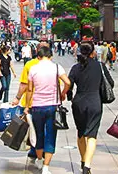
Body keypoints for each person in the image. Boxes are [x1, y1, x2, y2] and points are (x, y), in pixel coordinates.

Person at [66, 42, 112, 174]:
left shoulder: (75, 68)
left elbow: (69, 84)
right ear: (93, 52)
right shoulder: (100, 66)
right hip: (95, 102)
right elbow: (111, 83)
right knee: (92, 135)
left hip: (79, 102)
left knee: (81, 133)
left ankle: (82, 159)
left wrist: (70, 97)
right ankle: (87, 165)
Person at [24, 46, 70, 174]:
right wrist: (63, 93)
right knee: (50, 135)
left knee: (38, 134)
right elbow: (68, 82)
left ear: (38, 57)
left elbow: (29, 90)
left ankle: (39, 159)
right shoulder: (57, 67)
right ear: (50, 56)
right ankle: (46, 167)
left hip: (37, 106)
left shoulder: (33, 69)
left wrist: (27, 106)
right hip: (52, 107)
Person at [12, 41, 49, 164]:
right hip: (48, 102)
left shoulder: (30, 64)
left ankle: (35, 150)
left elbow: (24, 84)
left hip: (32, 102)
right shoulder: (53, 66)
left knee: (33, 128)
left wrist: (17, 97)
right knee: (44, 127)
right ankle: (43, 149)